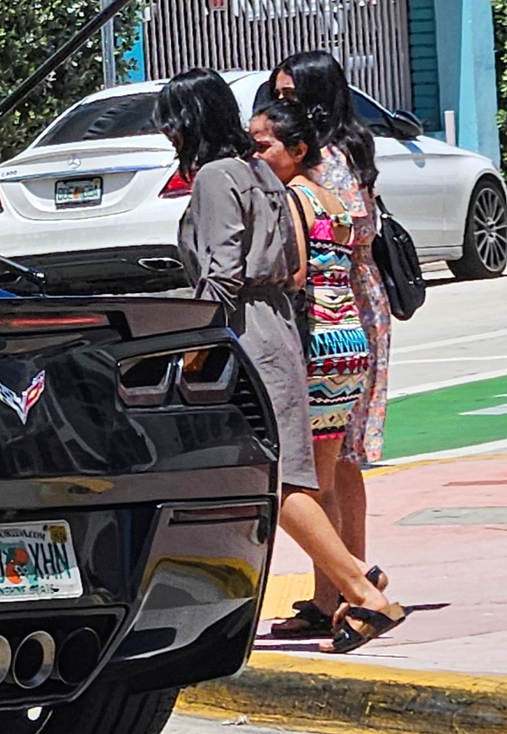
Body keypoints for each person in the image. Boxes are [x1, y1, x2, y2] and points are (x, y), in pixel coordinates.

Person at [158, 71, 400, 653]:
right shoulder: (262, 172)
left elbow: (220, 274)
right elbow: (294, 267)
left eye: (169, 120)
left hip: (243, 330)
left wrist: (189, 352)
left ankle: (361, 591)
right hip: (282, 327)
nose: (164, 132)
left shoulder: (216, 178)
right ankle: (353, 579)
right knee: (288, 472)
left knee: (276, 476)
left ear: (187, 121)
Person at [248, 96, 405, 650]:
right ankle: (330, 595)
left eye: (263, 144)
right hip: (349, 338)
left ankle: (354, 583)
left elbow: (291, 271)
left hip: (314, 339)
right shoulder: (333, 196)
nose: (254, 152)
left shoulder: (292, 197)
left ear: (296, 149)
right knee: (325, 474)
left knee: (303, 482)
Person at [270, 49, 390, 619]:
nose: (283, 105)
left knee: (339, 458)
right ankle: (341, 583)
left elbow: (342, 230)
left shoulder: (327, 162)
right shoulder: (338, 151)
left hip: (343, 301)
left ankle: (347, 583)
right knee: (337, 458)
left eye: (293, 96)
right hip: (349, 300)